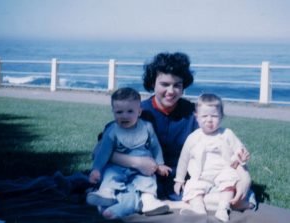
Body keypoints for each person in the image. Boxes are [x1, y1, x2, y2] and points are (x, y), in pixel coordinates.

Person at [92, 52, 254, 217]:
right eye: (165, 84)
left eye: (177, 85)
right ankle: (154, 203)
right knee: (117, 187)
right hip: (141, 179)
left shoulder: (194, 114)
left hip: (182, 184)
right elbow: (100, 150)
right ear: (152, 83)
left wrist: (244, 177)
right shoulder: (137, 111)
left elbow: (224, 147)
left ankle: (166, 204)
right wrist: (137, 162)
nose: (171, 91)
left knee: (237, 194)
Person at [87, 87, 171, 219]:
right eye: (119, 112)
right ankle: (106, 193)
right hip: (118, 167)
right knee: (110, 174)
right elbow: (103, 152)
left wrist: (160, 164)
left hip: (143, 167)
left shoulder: (147, 127)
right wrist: (96, 169)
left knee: (148, 179)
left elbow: (155, 147)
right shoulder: (112, 131)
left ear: (139, 112)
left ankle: (149, 200)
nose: (124, 116)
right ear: (113, 112)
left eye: (130, 111)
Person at [173, 93, 250, 222]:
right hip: (201, 175)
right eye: (204, 116)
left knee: (229, 180)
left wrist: (241, 156)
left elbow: (239, 149)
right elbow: (184, 159)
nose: (209, 120)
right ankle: (198, 210)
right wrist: (179, 179)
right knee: (192, 187)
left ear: (221, 117)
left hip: (222, 171)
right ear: (196, 117)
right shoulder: (193, 137)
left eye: (214, 116)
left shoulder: (226, 134)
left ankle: (223, 208)